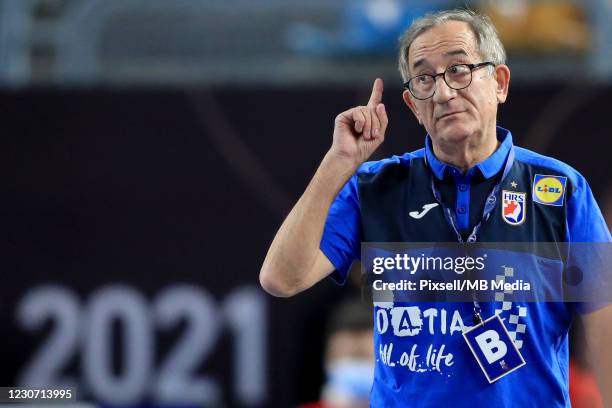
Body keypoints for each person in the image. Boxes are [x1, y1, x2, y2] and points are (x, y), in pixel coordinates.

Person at [260, 8, 612, 407]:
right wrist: (338, 163)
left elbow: (605, 321)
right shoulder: (375, 187)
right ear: (413, 105)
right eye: (424, 78)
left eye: (459, 69)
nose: (443, 92)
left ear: (499, 82)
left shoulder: (560, 189)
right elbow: (281, 279)